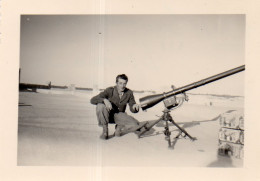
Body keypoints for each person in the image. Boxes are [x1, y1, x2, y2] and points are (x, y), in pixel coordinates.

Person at [90, 74, 143, 140]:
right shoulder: (110, 90)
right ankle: (105, 130)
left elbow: (132, 107)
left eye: (124, 83)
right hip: (108, 114)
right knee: (100, 106)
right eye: (120, 83)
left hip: (120, 115)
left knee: (136, 125)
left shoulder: (129, 93)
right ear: (116, 83)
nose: (122, 86)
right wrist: (104, 100)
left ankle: (119, 127)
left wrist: (135, 107)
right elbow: (93, 100)